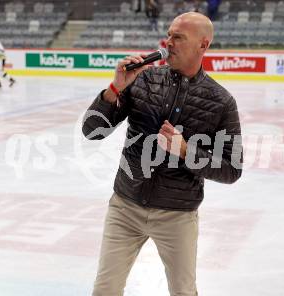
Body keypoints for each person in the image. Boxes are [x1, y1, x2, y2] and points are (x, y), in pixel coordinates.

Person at [82, 12, 242, 296]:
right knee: (104, 290)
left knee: (183, 291)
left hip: (177, 214)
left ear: (202, 46)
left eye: (178, 37)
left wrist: (185, 151)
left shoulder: (221, 102)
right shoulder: (142, 80)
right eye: (169, 35)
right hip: (125, 207)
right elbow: (92, 131)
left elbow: (232, 169)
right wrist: (115, 88)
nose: (168, 43)